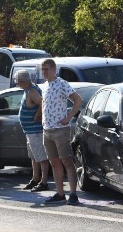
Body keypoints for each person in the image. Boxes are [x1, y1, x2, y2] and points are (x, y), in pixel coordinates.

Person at [40, 58, 83, 205]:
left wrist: (69, 118)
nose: (44, 72)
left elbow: (78, 100)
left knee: (66, 161)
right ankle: (60, 193)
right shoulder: (44, 86)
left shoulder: (62, 84)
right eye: (42, 69)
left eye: (46, 69)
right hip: (47, 130)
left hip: (61, 129)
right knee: (54, 162)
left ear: (53, 69)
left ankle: (73, 193)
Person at [16, 71, 50, 191]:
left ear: (23, 81)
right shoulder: (28, 90)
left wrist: (37, 116)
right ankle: (35, 178)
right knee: (34, 156)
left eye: (18, 82)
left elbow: (42, 102)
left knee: (41, 156)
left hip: (35, 131)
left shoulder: (32, 91)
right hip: (30, 131)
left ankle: (44, 181)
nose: (18, 85)